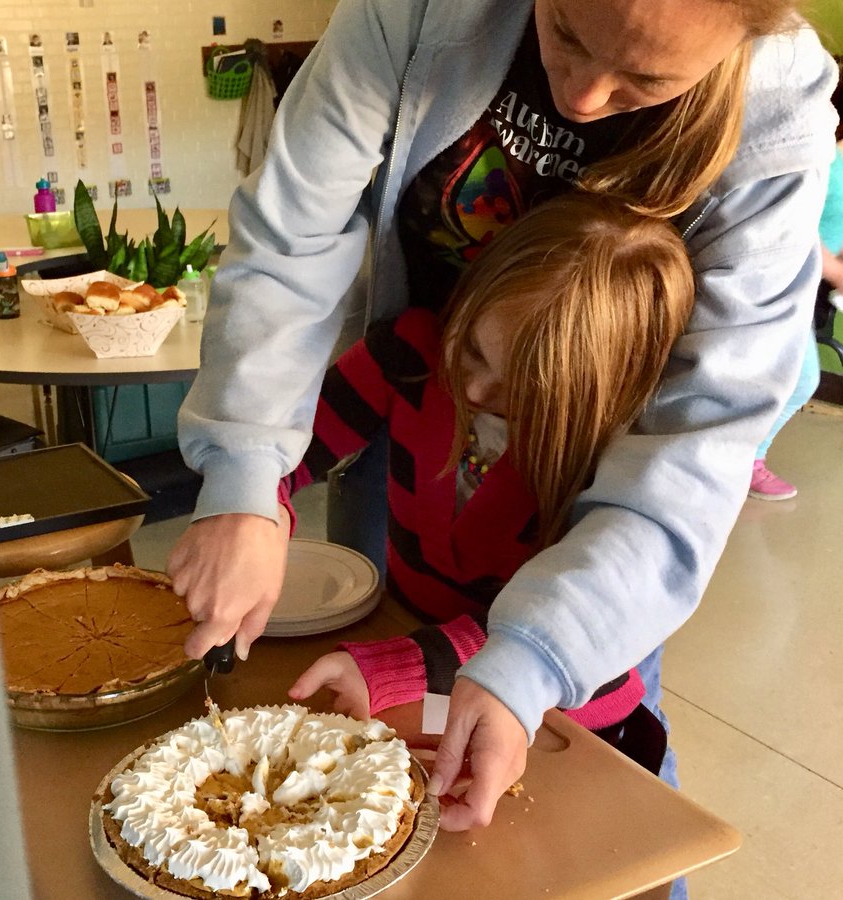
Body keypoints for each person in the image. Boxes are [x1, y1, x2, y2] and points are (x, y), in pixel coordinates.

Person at [168, 0, 837, 853]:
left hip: (589, 496)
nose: (586, 99)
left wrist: (538, 657)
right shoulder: (420, 364)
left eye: (646, 80)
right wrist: (245, 480)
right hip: (422, 453)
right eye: (564, 32)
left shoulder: (777, 120)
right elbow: (293, 234)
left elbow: (693, 452)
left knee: (582, 797)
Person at [275, 192, 694, 783]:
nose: (472, 391)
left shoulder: (606, 469)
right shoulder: (410, 354)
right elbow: (288, 448)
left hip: (555, 709)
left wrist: (406, 665)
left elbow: (573, 656)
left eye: (519, 389)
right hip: (426, 648)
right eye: (472, 349)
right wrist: (256, 511)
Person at [750, 65, 843, 500]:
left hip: (803, 286)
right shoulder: (824, 157)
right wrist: (836, 270)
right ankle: (746, 461)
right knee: (802, 380)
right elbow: (800, 228)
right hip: (776, 277)